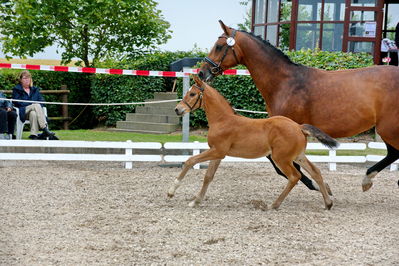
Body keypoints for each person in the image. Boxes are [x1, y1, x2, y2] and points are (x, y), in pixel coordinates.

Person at [12, 70, 55, 139]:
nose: (27, 80)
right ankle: (44, 128)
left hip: (34, 112)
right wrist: (32, 104)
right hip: (23, 111)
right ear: (21, 80)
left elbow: (42, 101)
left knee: (33, 113)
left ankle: (34, 135)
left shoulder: (35, 89)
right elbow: (17, 102)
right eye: (25, 78)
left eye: (28, 78)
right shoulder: (16, 89)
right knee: (36, 105)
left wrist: (35, 105)